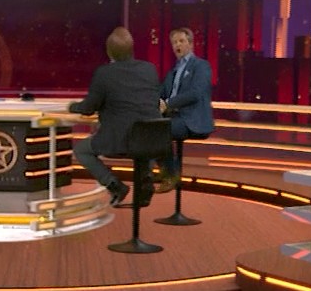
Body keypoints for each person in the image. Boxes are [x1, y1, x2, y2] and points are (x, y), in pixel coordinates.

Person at [68, 26, 162, 207]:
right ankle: (146, 179)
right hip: (152, 138)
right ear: (132, 49)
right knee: (143, 144)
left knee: (81, 150)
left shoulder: (104, 73)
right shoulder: (149, 69)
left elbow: (88, 108)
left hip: (119, 139)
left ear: (109, 52)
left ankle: (114, 185)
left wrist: (72, 106)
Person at [157, 27, 214, 188]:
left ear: (190, 43)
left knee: (159, 130)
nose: (177, 45)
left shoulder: (201, 66)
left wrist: (168, 104)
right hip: (174, 117)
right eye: (174, 42)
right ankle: (167, 171)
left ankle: (170, 174)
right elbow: (160, 93)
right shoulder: (172, 72)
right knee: (147, 127)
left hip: (192, 119)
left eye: (181, 41)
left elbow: (196, 93)